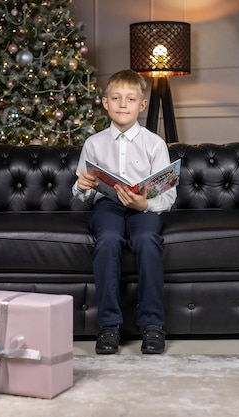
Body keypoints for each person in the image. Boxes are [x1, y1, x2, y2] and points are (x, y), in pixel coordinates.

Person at [72, 69, 177, 354]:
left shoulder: (154, 144)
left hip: (143, 207)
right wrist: (82, 185)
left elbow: (167, 193)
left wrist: (145, 204)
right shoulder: (93, 143)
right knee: (107, 241)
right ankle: (108, 326)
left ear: (141, 106)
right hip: (108, 205)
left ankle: (153, 325)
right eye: (116, 98)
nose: (122, 104)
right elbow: (84, 193)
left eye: (130, 99)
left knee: (146, 241)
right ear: (105, 103)